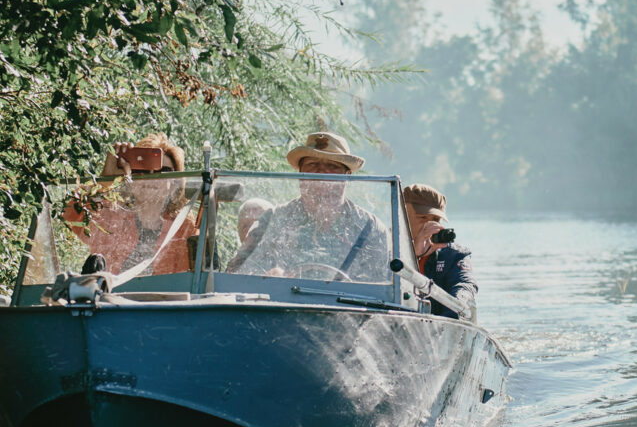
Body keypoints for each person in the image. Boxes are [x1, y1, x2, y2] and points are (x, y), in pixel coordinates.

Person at [227, 132, 390, 281]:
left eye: (332, 166)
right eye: (313, 164)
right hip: (281, 310)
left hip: (346, 312)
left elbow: (383, 290)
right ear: (300, 174)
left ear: (347, 177)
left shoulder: (370, 228)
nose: (321, 173)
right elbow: (235, 275)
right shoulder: (272, 220)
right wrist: (266, 276)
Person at [63, 134, 196, 275]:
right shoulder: (109, 215)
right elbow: (69, 213)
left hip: (167, 297)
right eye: (143, 169)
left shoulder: (184, 225)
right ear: (130, 176)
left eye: (163, 171)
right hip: (109, 295)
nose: (151, 176)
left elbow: (198, 272)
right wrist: (105, 182)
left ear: (175, 182)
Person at [403, 183, 477, 319]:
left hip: (439, 327)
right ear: (403, 217)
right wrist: (413, 255)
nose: (430, 226)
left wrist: (457, 306)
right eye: (422, 218)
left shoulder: (454, 255)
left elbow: (465, 286)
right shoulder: (384, 245)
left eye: (436, 219)